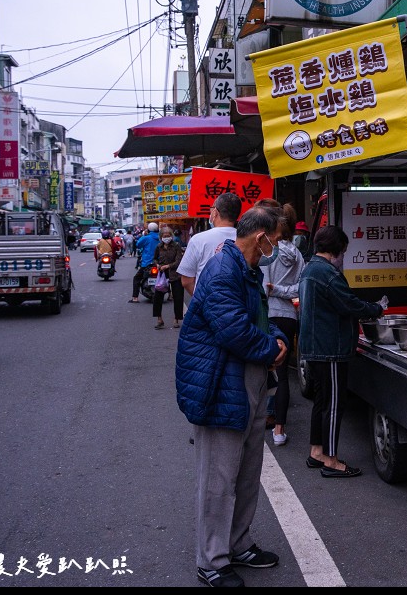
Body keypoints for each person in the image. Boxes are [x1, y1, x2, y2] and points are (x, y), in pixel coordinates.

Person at [175, 206, 288, 588]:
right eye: (277, 238)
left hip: (249, 377)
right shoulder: (224, 269)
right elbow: (233, 329)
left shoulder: (247, 268)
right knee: (219, 479)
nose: (279, 246)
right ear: (262, 238)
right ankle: (211, 560)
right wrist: (272, 349)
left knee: (246, 472)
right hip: (223, 382)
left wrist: (278, 339)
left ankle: (238, 544)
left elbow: (258, 316)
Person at [298, 225, 387, 478]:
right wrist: (376, 309)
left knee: (321, 402)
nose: (343, 258)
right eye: (344, 252)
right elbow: (349, 304)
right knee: (334, 405)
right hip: (330, 349)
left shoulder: (310, 269)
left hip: (314, 348)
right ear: (336, 250)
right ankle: (331, 460)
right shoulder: (327, 273)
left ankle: (317, 452)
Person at [261, 203, 305, 446]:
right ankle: (279, 430)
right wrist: (282, 290)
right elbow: (302, 287)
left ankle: (260, 418)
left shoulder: (267, 251)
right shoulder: (297, 255)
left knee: (262, 369)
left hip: (266, 315)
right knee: (283, 374)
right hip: (288, 316)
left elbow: (263, 288)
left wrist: (273, 289)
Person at [178, 192, 243, 298]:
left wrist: (201, 301)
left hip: (207, 305)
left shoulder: (198, 240)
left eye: (212, 208)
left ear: (215, 212)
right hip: (238, 305)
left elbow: (186, 281)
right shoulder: (246, 238)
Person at [152, 225, 185, 329]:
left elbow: (178, 260)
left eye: (168, 235)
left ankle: (176, 319)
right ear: (161, 236)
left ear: (171, 236)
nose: (166, 237)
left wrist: (168, 266)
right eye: (164, 235)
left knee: (178, 297)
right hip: (162, 274)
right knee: (158, 297)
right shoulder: (158, 247)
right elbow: (155, 258)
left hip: (175, 274)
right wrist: (157, 264)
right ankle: (159, 319)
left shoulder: (176, 246)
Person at [130, 222, 160, 303]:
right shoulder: (161, 237)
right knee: (167, 278)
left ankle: (135, 298)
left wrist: (144, 235)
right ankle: (170, 295)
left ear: (149, 230)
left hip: (147, 263)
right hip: (160, 264)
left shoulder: (146, 238)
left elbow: (138, 244)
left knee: (136, 278)